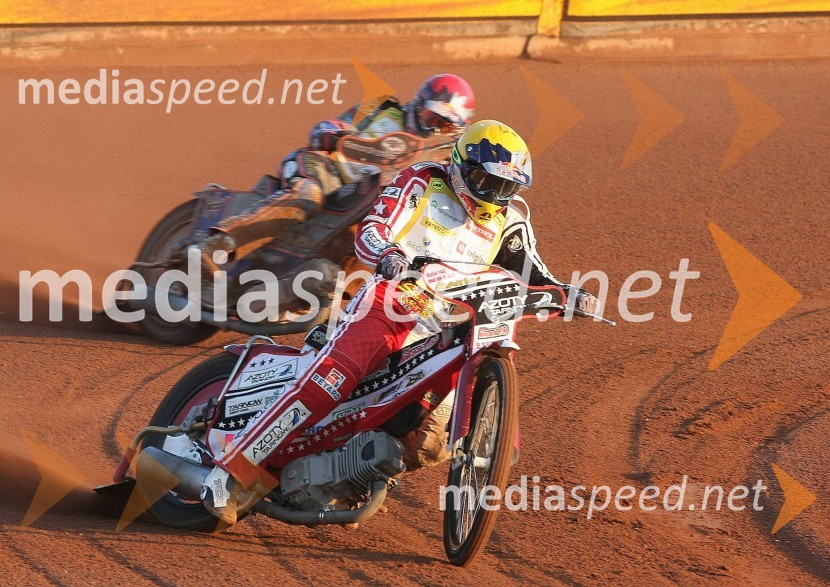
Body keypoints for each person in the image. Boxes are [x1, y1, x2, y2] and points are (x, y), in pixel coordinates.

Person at [200, 120, 601, 525]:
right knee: (333, 379)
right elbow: (373, 228)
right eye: (486, 181)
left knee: (429, 444)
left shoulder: (510, 221)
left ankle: (349, 476)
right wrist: (389, 253)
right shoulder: (424, 181)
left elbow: (535, 274)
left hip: (449, 327)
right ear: (462, 166)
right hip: (394, 301)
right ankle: (231, 470)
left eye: (507, 187)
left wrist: (569, 293)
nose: (495, 195)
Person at [200, 73, 476, 271]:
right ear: (419, 103)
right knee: (307, 197)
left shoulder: (443, 156)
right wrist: (335, 135)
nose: (434, 127)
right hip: (324, 171)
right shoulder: (383, 110)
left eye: (445, 124)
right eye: (432, 117)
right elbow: (326, 127)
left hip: (365, 205)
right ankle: (219, 241)